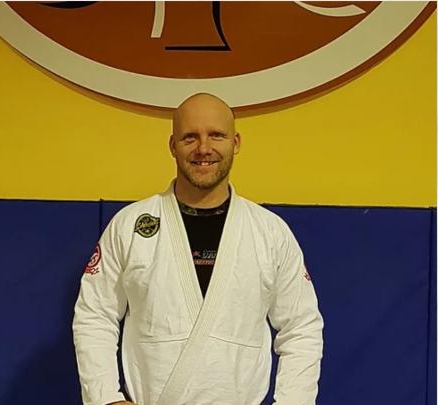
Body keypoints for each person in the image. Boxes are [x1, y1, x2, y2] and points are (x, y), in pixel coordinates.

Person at [73, 93, 324, 405]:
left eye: (216, 135)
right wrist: (106, 399)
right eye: (190, 137)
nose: (203, 148)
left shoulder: (270, 233)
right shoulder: (130, 226)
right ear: (172, 145)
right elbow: (95, 314)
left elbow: (301, 327)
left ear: (236, 142)